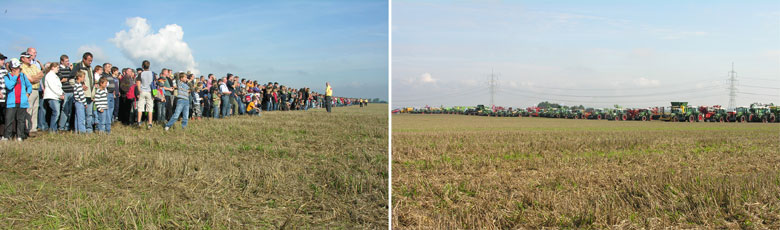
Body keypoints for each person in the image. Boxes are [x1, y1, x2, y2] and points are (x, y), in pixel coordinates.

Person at [3, 58, 32, 141]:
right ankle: (7, 136)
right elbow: (9, 86)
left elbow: (29, 85)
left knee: (21, 120)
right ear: (13, 69)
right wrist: (15, 76)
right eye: (17, 68)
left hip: (22, 101)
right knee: (9, 120)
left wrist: (28, 93)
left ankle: (20, 136)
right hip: (11, 102)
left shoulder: (22, 76)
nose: (19, 69)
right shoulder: (7, 76)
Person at [71, 52, 95, 133]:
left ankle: (89, 129)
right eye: (89, 60)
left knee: (89, 114)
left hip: (90, 94)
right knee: (80, 115)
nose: (90, 62)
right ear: (84, 59)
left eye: (91, 60)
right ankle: (79, 130)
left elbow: (92, 81)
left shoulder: (90, 68)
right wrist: (80, 85)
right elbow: (71, 79)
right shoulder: (78, 66)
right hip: (82, 95)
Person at [20, 51, 43, 133]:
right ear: (22, 59)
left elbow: (41, 74)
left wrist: (34, 78)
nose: (30, 59)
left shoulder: (33, 66)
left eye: (30, 57)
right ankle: (27, 128)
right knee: (29, 110)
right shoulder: (22, 67)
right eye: (27, 57)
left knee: (35, 109)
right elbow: (30, 80)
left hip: (36, 90)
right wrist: (35, 78)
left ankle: (34, 128)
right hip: (29, 90)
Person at [42, 62, 63, 133]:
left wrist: (61, 93)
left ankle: (54, 129)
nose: (58, 69)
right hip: (52, 96)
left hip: (56, 96)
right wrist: (60, 94)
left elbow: (58, 86)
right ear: (53, 67)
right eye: (57, 67)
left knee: (56, 113)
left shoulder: (54, 75)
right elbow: (53, 87)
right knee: (56, 113)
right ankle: (52, 129)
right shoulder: (50, 76)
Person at [56, 55, 73, 131]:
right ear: (62, 61)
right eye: (66, 61)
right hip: (64, 92)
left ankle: (67, 126)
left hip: (71, 91)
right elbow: (61, 79)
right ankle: (61, 127)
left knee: (69, 111)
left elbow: (73, 78)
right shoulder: (59, 69)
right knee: (65, 110)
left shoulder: (69, 69)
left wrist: (71, 71)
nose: (68, 62)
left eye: (68, 61)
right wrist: (69, 78)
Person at [136, 60, 154, 129]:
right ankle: (150, 123)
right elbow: (154, 83)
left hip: (142, 91)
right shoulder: (152, 73)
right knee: (150, 108)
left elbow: (138, 82)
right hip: (149, 92)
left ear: (142, 66)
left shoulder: (141, 73)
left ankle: (139, 121)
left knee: (140, 107)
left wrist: (139, 90)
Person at [0, 53, 7, 137]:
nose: (3, 61)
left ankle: (2, 134)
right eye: (1, 60)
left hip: (5, 98)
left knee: (3, 118)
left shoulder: (4, 70)